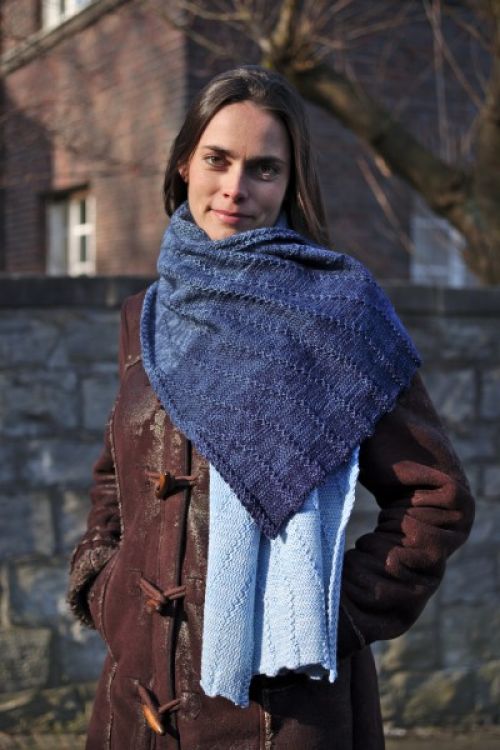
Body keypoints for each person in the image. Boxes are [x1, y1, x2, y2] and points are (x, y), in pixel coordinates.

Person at [67, 65, 474, 750]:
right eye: (217, 160)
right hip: (137, 700)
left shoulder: (338, 312)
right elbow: (117, 477)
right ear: (184, 163)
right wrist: (103, 585)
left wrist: (329, 616)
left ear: (290, 183)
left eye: (263, 169)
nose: (235, 187)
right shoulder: (148, 315)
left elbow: (437, 498)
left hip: (281, 715)